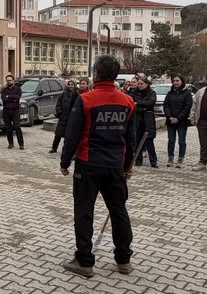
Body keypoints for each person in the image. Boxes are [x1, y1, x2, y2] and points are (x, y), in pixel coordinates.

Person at [60, 55, 137, 278]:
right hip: (115, 166)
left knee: (84, 211)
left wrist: (65, 162)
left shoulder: (85, 100)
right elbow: (131, 139)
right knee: (119, 211)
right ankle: (123, 260)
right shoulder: (127, 101)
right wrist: (127, 166)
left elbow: (72, 136)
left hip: (88, 165)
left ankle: (84, 261)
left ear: (95, 74)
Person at [163, 75, 192, 168]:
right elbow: (166, 105)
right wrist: (169, 116)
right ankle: (170, 159)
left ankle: (180, 160)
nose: (175, 82)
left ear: (181, 81)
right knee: (171, 140)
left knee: (181, 141)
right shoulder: (170, 93)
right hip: (170, 121)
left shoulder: (187, 93)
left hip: (182, 122)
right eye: (174, 81)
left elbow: (187, 107)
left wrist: (178, 118)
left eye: (177, 80)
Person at [129, 77, 158, 168]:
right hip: (137, 119)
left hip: (148, 120)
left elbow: (150, 103)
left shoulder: (151, 93)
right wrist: (142, 106)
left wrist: (138, 103)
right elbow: (132, 103)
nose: (140, 85)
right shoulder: (134, 92)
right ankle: (138, 160)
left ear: (146, 84)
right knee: (137, 140)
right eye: (139, 84)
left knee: (149, 141)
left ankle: (153, 161)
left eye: (142, 84)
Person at [50, 79, 79, 153]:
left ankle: (66, 150)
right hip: (63, 117)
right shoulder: (63, 94)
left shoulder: (77, 95)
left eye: (72, 85)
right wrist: (60, 113)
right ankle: (54, 148)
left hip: (71, 118)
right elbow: (58, 104)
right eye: (69, 84)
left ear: (74, 85)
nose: (70, 86)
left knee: (68, 136)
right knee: (58, 134)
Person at [0, 74, 24, 150]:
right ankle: (10, 143)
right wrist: (12, 98)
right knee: (8, 128)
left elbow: (18, 98)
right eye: (7, 80)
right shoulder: (4, 90)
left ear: (13, 81)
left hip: (15, 111)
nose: (9, 82)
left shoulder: (18, 89)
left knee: (17, 126)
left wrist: (9, 96)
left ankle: (21, 144)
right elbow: (4, 99)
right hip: (6, 111)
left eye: (10, 80)